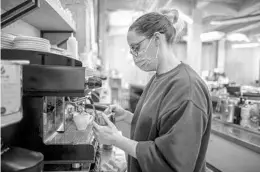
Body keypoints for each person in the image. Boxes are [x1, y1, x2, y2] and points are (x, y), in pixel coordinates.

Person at [93, 8, 212, 172]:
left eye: (136, 47)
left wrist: (116, 140)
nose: (134, 55)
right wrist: (127, 117)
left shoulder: (187, 88)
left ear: (156, 39)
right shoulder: (158, 78)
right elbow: (159, 127)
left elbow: (173, 163)